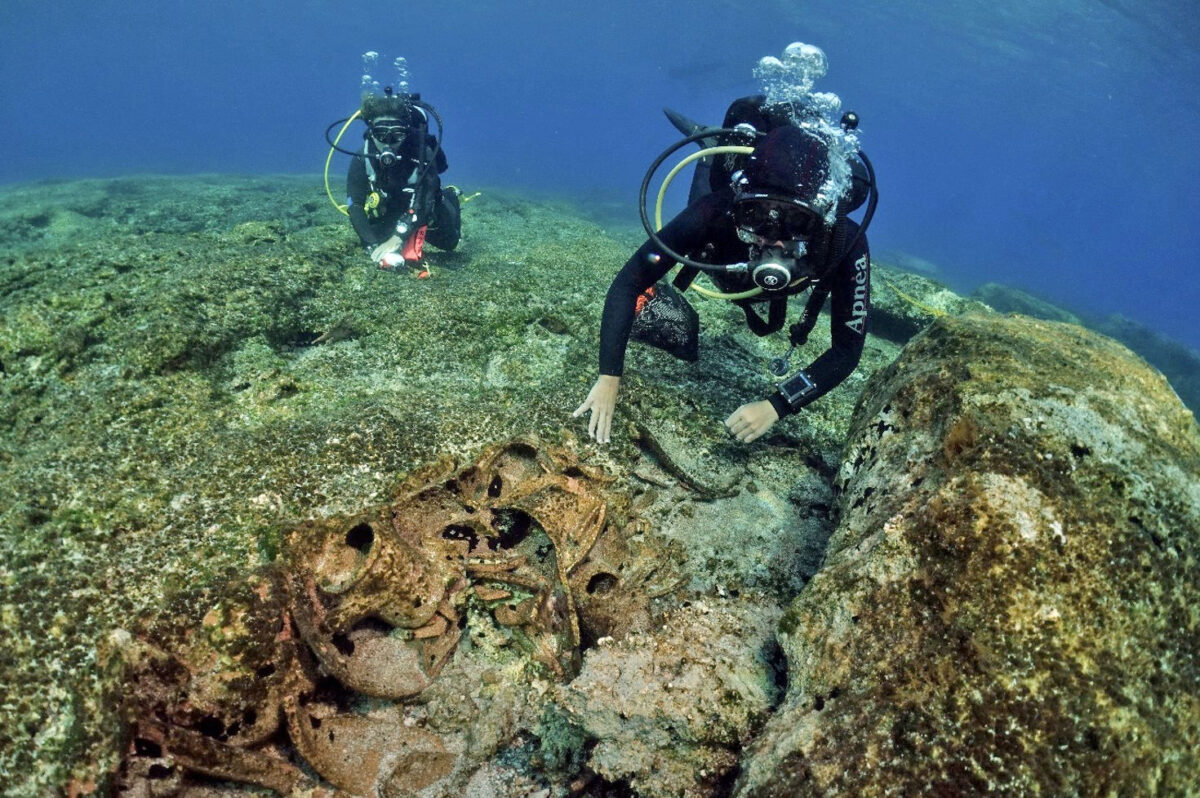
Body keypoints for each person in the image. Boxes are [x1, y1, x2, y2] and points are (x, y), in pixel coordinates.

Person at [574, 94, 873, 445]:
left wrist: (777, 405)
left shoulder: (844, 242)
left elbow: (846, 351)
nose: (772, 239)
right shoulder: (717, 210)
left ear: (822, 217)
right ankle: (716, 147)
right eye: (756, 216)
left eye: (795, 222)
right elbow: (629, 282)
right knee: (708, 209)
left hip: (766, 280)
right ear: (741, 201)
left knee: (769, 325)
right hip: (723, 255)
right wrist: (609, 377)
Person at [346, 90, 461, 271]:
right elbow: (355, 204)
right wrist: (372, 245)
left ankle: (451, 195)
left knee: (449, 243)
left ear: (406, 132)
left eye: (397, 133)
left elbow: (426, 197)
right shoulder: (362, 158)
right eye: (381, 133)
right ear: (371, 131)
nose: (389, 142)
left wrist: (398, 237)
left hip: (423, 207)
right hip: (394, 207)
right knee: (375, 234)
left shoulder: (422, 153)